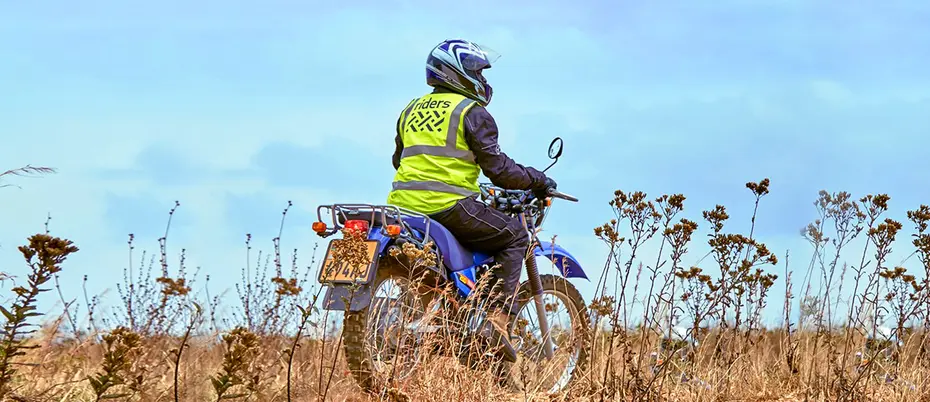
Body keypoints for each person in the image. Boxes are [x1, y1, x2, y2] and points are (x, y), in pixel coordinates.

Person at [387, 39, 557, 361]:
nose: (483, 80)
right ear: (458, 73)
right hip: (450, 207)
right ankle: (497, 324)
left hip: (403, 207)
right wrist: (538, 179)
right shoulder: (471, 112)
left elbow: (400, 160)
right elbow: (499, 170)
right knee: (515, 236)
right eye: (478, 72)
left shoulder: (410, 110)